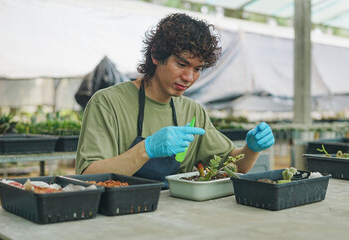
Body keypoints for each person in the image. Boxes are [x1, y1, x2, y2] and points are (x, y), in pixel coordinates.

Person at [75, 13, 275, 188]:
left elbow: (236, 166)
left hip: (178, 217)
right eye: (181, 64)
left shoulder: (192, 111)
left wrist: (251, 149)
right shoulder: (108, 103)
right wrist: (146, 149)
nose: (189, 77)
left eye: (197, 69)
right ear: (156, 55)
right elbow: (89, 177)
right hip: (124, 213)